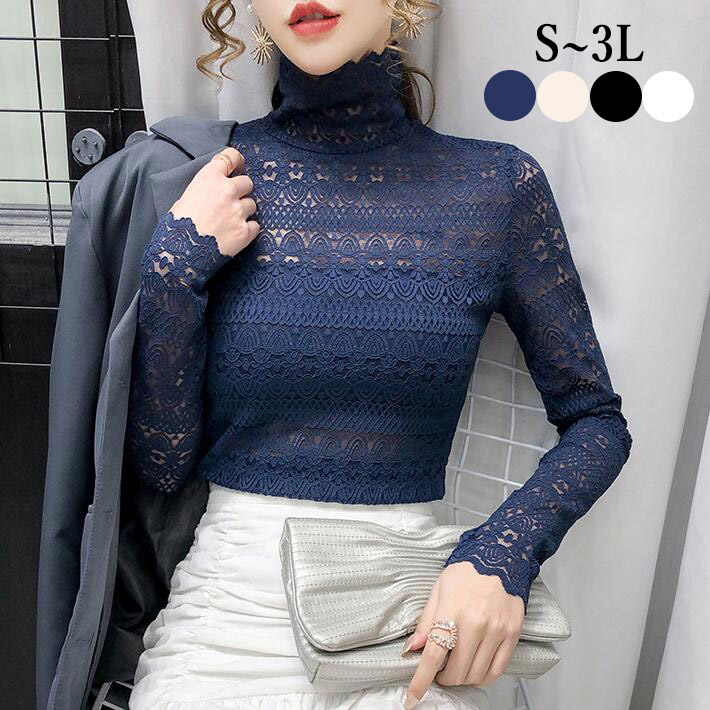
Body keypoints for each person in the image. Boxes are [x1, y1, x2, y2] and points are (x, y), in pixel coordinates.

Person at [124, 1, 633, 708]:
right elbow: (161, 466)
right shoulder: (210, 183)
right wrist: (172, 274)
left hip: (409, 625)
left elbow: (597, 421)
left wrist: (501, 555)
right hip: (225, 623)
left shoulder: (495, 187)